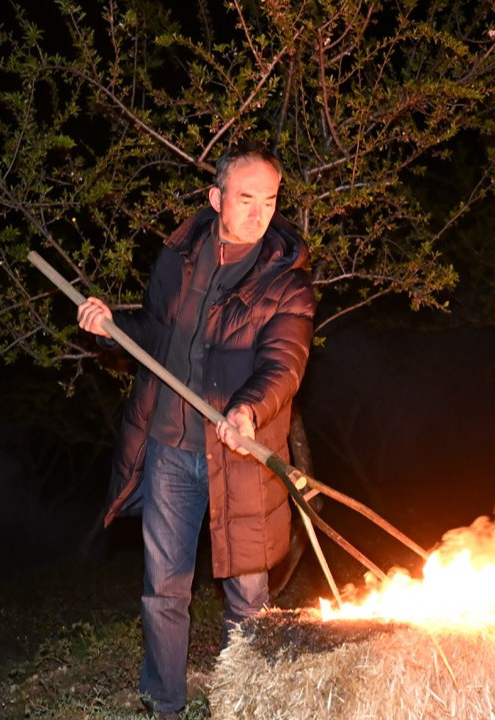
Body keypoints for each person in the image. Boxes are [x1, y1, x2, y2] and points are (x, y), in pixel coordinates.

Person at [76, 140, 316, 718]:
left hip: (241, 453)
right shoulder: (178, 258)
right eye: (246, 199)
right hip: (170, 447)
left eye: (270, 201)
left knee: (248, 598)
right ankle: (164, 704)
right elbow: (156, 335)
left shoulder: (286, 280)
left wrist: (248, 410)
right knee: (164, 588)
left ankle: (241, 706)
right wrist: (111, 326)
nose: (259, 214)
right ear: (216, 198)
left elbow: (284, 364)